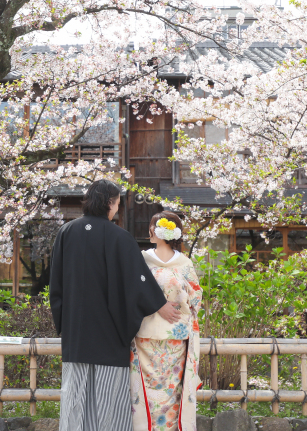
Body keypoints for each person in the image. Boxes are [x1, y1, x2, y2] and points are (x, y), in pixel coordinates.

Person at [50, 180, 182, 431]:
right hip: (109, 332)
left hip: (76, 332)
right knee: (109, 400)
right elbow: (137, 279)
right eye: (118, 204)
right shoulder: (120, 237)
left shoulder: (66, 232)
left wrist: (64, 321)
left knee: (75, 397)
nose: (117, 209)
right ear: (109, 203)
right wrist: (159, 304)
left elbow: (56, 282)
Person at [130, 211, 202, 431]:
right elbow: (196, 299)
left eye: (152, 227)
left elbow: (132, 294)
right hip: (162, 338)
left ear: (157, 231)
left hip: (160, 338)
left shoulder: (143, 261)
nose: (149, 231)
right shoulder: (182, 263)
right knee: (161, 393)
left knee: (165, 393)